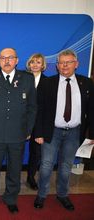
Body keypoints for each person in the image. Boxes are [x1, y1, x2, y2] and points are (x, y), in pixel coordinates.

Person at [33, 49, 94, 211]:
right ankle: (42, 194)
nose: (64, 65)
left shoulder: (87, 83)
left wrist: (92, 135)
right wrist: (38, 133)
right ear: (57, 66)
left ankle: (62, 195)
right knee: (46, 165)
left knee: (66, 166)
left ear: (76, 64)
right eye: (61, 62)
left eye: (68, 62)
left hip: (74, 132)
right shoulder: (48, 83)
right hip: (51, 131)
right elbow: (39, 109)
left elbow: (92, 110)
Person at [0, 48, 37, 214]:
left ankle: (11, 198)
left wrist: (28, 130)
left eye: (10, 58)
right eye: (3, 58)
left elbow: (32, 107)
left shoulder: (27, 79)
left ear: (17, 60)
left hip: (17, 133)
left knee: (14, 168)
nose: (7, 61)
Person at [25, 53, 47, 190]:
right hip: (21, 122)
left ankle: (30, 177)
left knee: (36, 152)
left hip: (38, 124)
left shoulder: (48, 82)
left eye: (38, 62)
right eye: (32, 62)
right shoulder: (21, 78)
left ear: (43, 65)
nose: (35, 64)